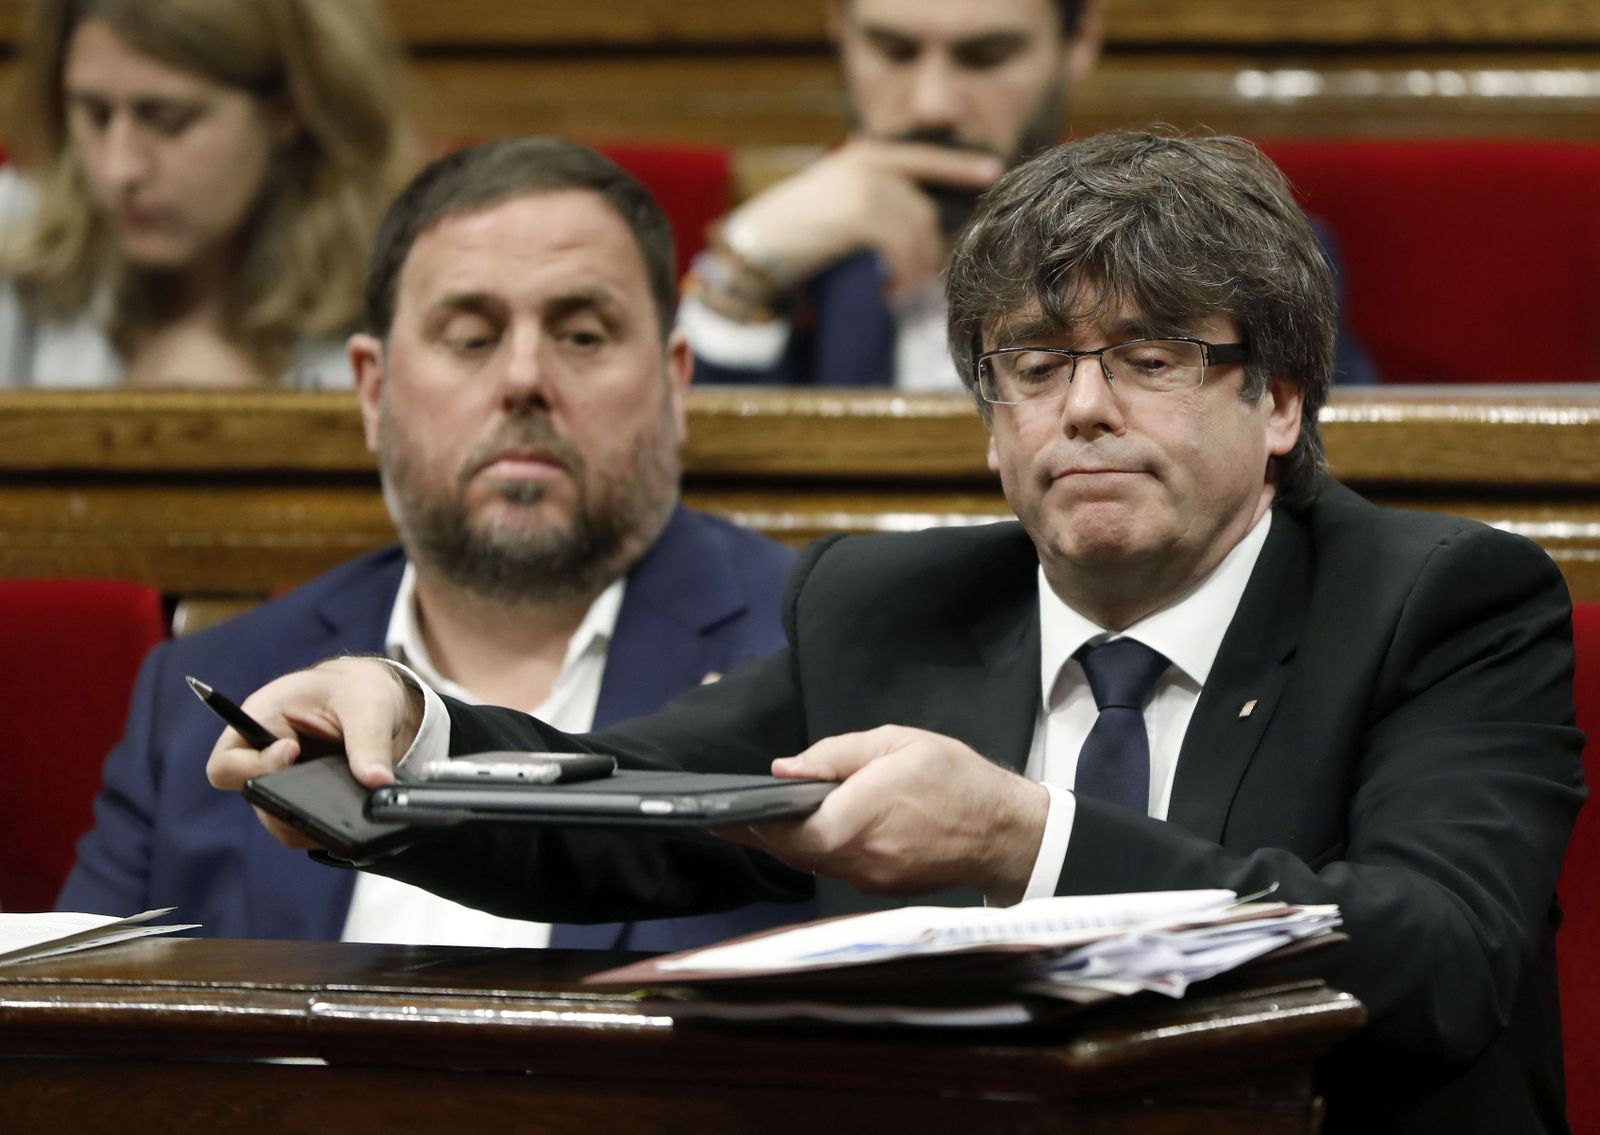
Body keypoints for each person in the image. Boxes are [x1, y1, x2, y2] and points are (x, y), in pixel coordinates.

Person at [209, 132, 1581, 1133]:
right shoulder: (884, 609)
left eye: (1151, 356)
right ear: (993, 425)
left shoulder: (1441, 604)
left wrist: (1027, 841)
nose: (1084, 409)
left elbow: (1437, 955)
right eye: (1035, 367)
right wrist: (397, 742)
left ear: (1279, 398)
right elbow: (622, 804)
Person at [61, 138, 810, 952]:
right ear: (374, 391)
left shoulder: (807, 659)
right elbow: (67, 1032)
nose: (525, 377)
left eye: (584, 335)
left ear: (672, 384)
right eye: (470, 336)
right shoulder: (204, 691)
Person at [681, 0, 1378, 390]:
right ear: (838, 27)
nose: (932, 104)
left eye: (986, 58)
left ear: (1078, 41)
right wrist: (745, 269)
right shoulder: (796, 265)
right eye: (892, 50)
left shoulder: (1234, 257)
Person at [0, 0, 415, 390]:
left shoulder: (405, 299)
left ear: (287, 110)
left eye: (168, 120)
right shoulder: (14, 234)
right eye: (95, 114)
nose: (119, 168)